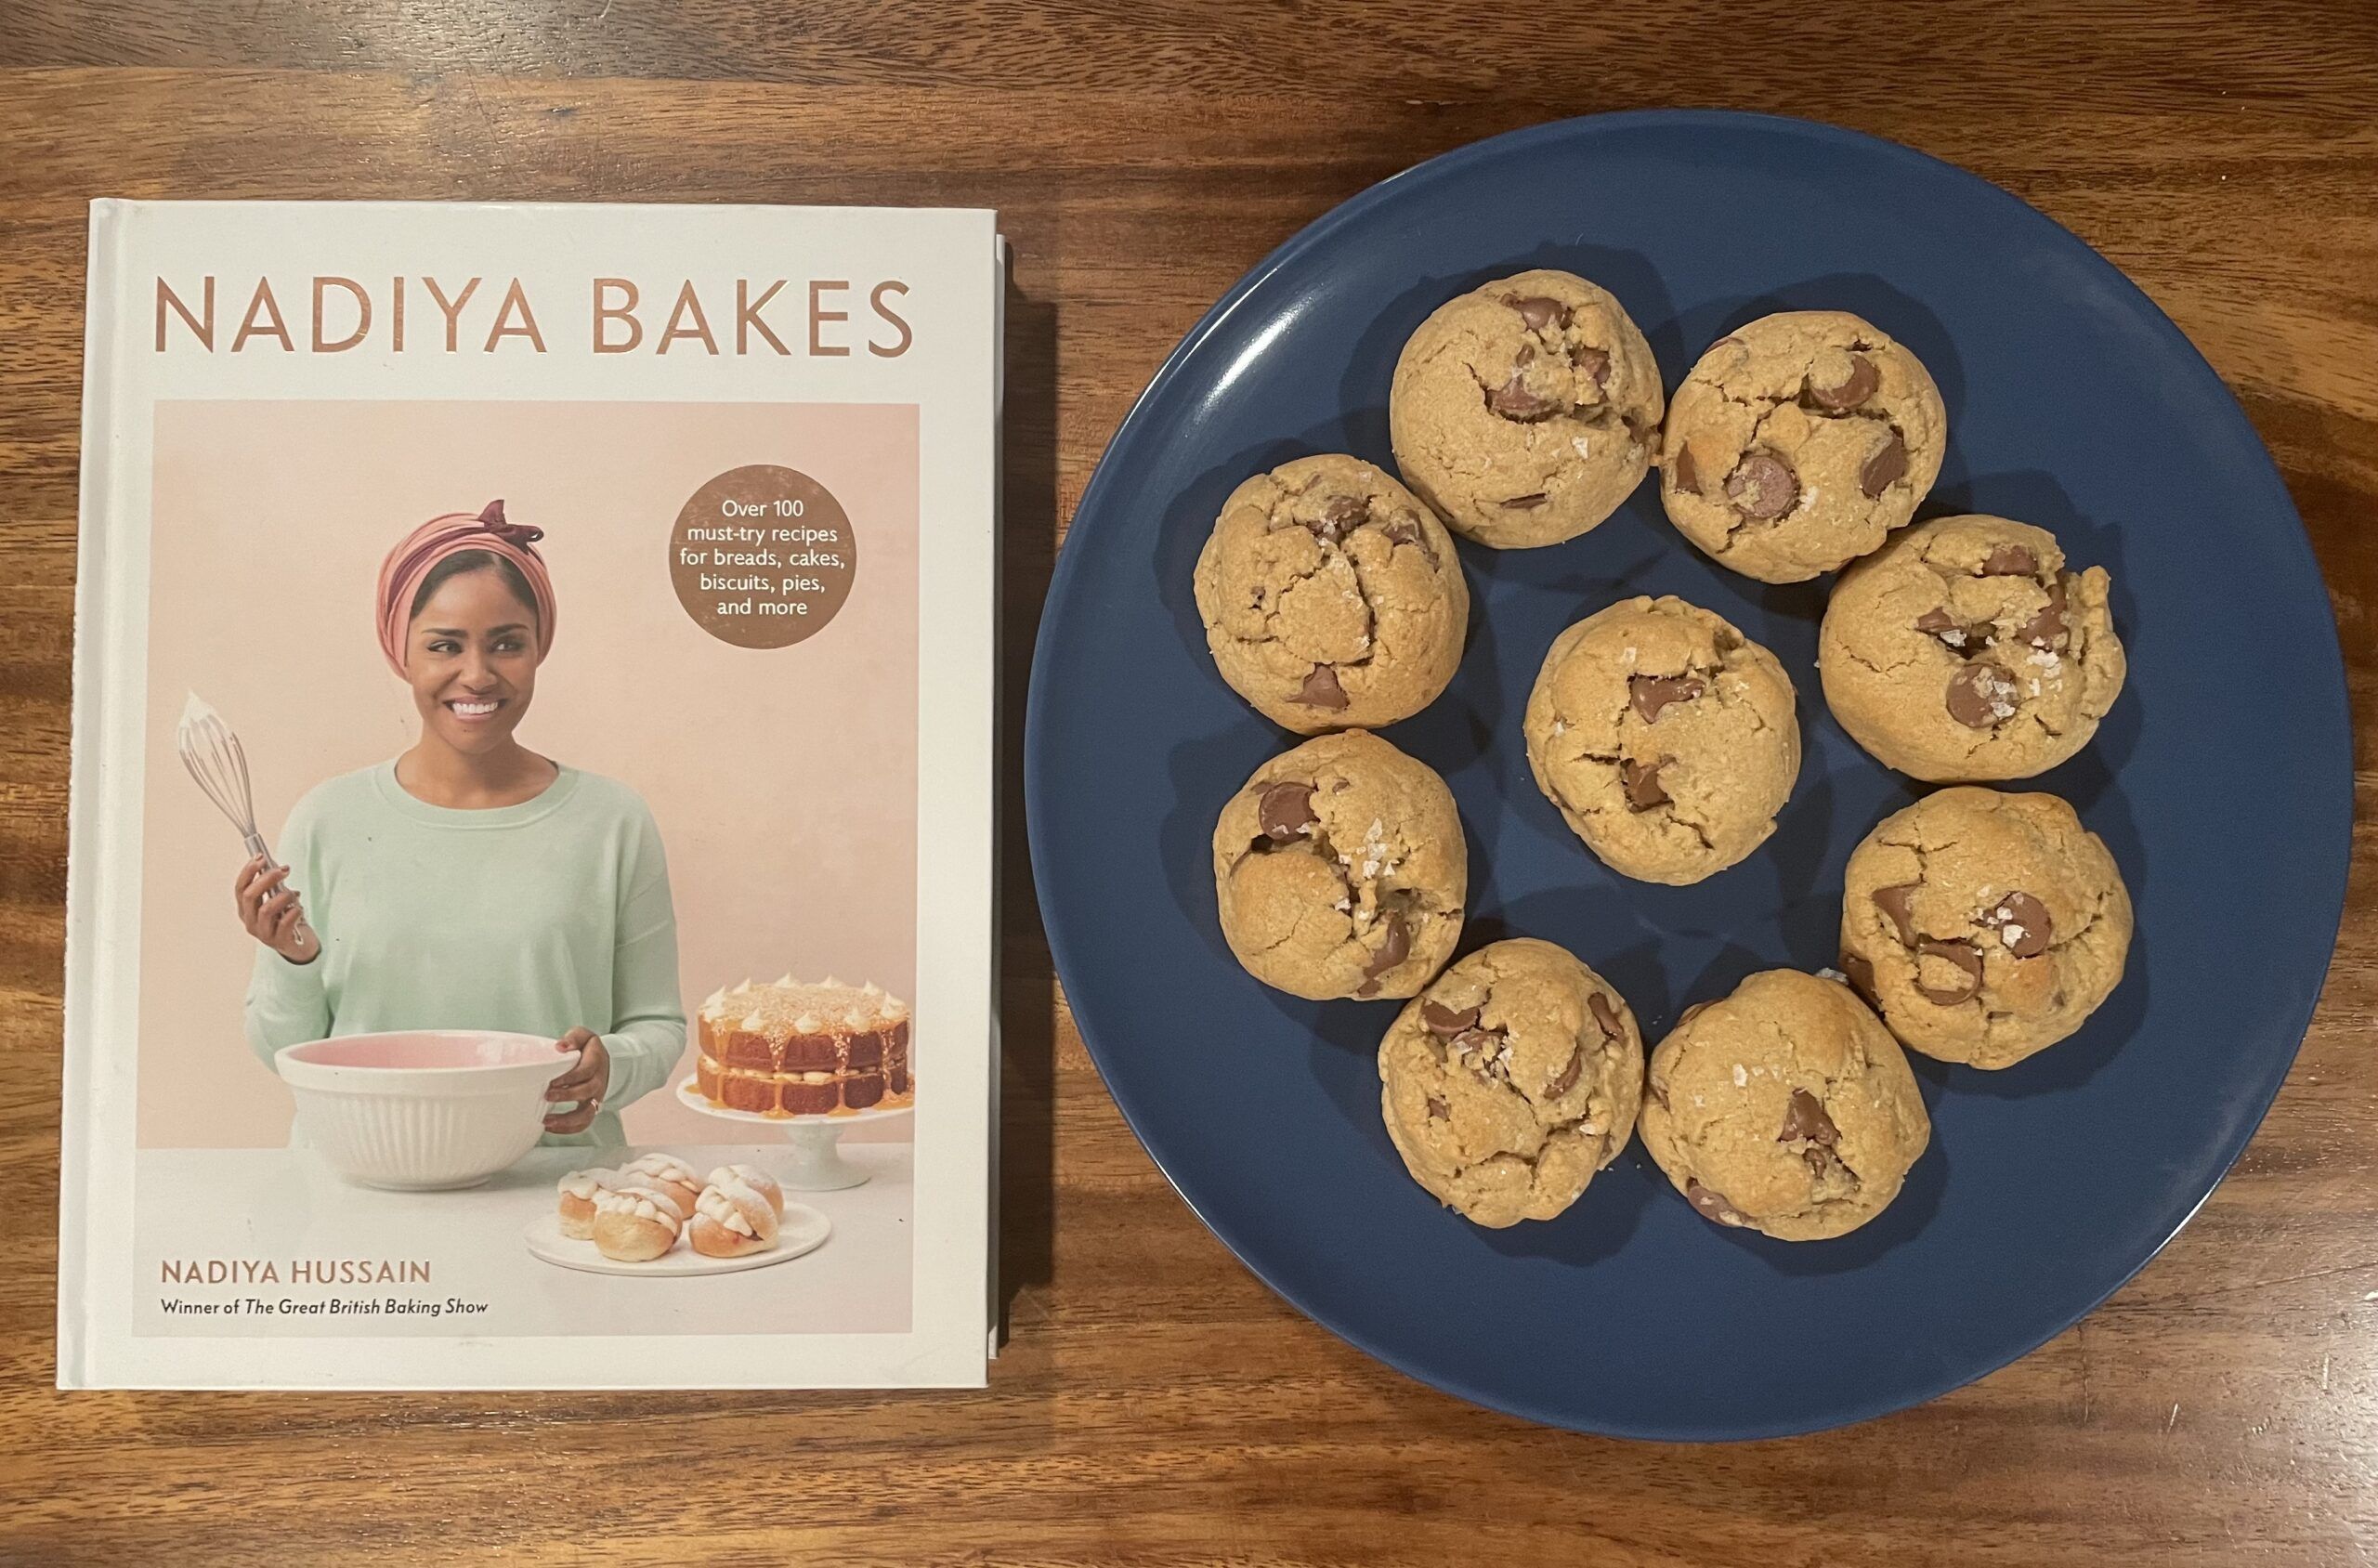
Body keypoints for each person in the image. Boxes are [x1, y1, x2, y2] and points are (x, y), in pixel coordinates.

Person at [238, 500, 684, 1144]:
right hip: (367, 1182)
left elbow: (658, 1025)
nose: (476, 675)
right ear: (402, 653)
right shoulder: (327, 819)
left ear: (540, 649)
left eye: (507, 644)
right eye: (445, 645)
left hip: (558, 1191)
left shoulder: (613, 821)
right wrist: (292, 959)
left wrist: (610, 1067)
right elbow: (285, 1051)